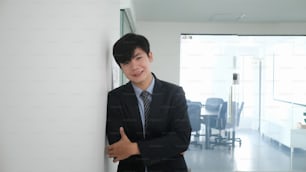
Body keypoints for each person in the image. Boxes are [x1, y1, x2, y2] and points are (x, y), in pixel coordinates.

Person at [106, 33, 191, 172]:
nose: (134, 66)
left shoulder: (174, 93)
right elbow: (117, 144)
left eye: (138, 58)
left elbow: (181, 140)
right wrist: (166, 146)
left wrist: (134, 148)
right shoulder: (116, 97)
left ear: (150, 56)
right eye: (126, 63)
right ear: (121, 67)